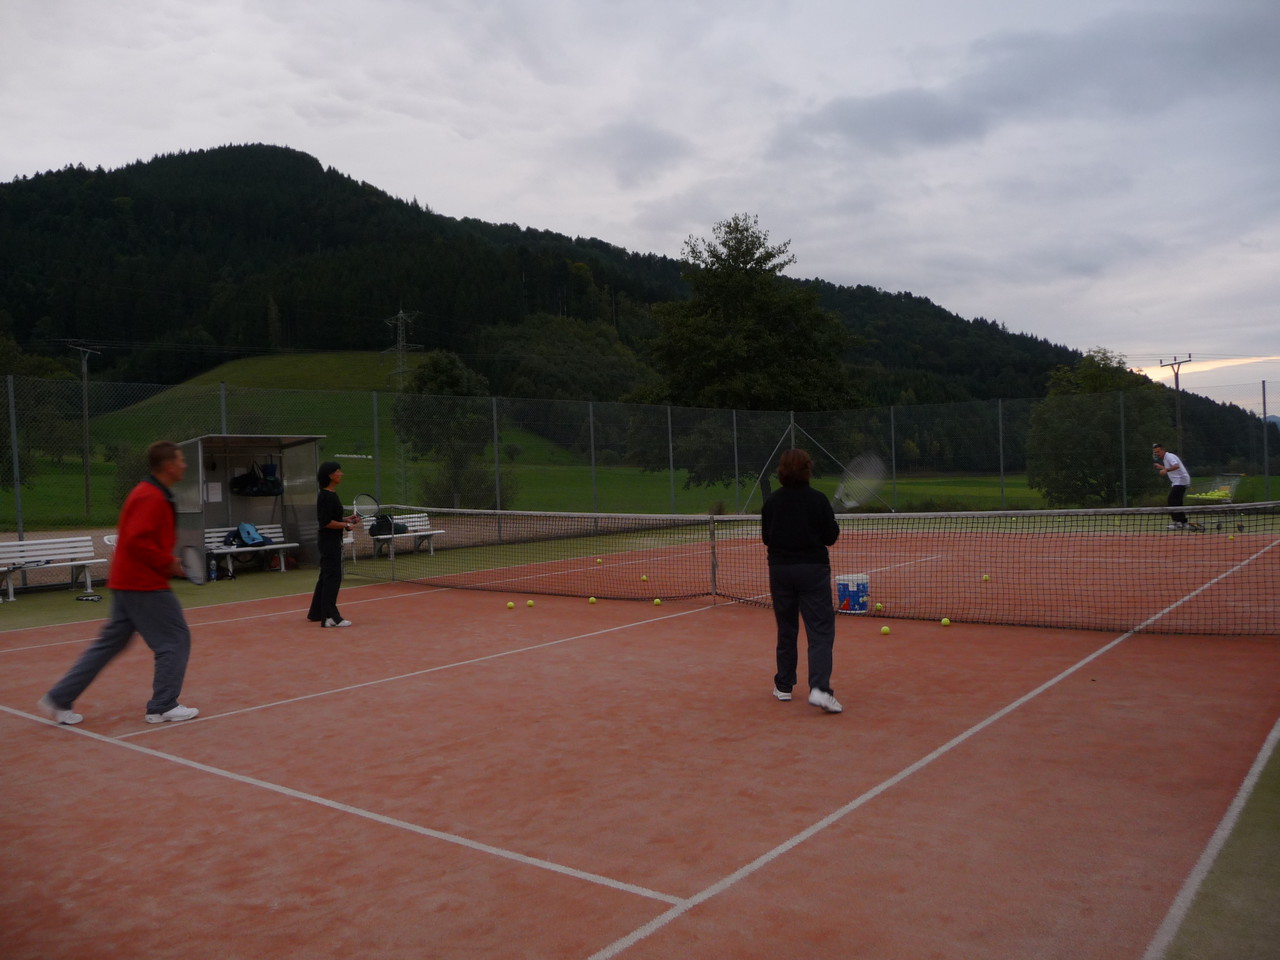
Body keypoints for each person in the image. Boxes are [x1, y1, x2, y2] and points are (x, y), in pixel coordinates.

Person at [37, 441, 198, 725]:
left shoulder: (150, 492)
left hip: (128, 581)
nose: (184, 465)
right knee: (175, 639)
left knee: (110, 644)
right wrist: (169, 563)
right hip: (143, 583)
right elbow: (137, 541)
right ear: (169, 465)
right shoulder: (150, 496)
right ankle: (163, 705)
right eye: (181, 460)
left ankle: (60, 697)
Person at [761, 448, 843, 713]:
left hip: (780, 571)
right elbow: (830, 537)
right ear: (808, 469)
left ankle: (784, 686)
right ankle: (820, 689)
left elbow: (767, 538)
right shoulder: (818, 500)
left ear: (781, 471)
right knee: (820, 630)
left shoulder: (772, 502)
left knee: (787, 628)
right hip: (812, 571)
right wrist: (831, 525)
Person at [307, 460, 359, 627]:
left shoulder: (330, 494)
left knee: (325, 576)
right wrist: (345, 525)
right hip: (329, 543)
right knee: (333, 578)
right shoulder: (326, 496)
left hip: (330, 541)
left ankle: (316, 612)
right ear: (330, 475)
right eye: (338, 471)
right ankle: (330, 617)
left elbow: (331, 518)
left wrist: (346, 519)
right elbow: (326, 522)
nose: (341, 474)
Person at [1152, 443, 1200, 531]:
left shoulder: (1169, 456)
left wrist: (1166, 470)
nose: (1157, 454)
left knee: (1171, 500)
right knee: (1177, 502)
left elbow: (1176, 466)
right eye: (1155, 452)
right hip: (1179, 481)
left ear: (1163, 450)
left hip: (1181, 480)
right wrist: (1161, 467)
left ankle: (1178, 523)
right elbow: (1172, 468)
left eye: (1158, 451)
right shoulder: (1166, 458)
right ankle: (1183, 522)